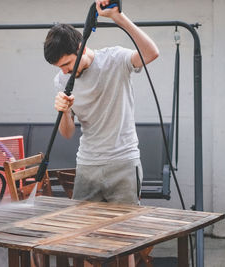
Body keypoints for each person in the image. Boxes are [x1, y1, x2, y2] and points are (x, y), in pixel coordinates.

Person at [44, 0, 159, 206]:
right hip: (87, 165)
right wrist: (65, 111)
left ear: (81, 48)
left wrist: (117, 17)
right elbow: (68, 133)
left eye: (67, 64)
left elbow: (151, 53)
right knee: (83, 232)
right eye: (59, 67)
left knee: (126, 231)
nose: (63, 72)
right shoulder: (61, 81)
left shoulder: (115, 59)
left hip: (123, 162)